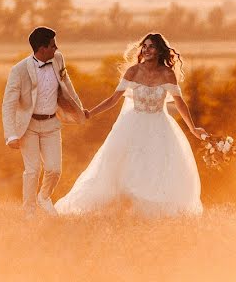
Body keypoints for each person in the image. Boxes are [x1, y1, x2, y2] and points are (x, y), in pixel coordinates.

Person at [55, 33, 207, 217]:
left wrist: (192, 128)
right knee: (125, 165)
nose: (146, 50)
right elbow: (113, 99)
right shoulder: (133, 71)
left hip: (160, 126)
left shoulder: (167, 74)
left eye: (151, 46)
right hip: (133, 125)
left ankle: (150, 210)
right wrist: (90, 113)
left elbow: (179, 102)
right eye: (144, 46)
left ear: (159, 50)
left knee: (156, 166)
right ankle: (124, 206)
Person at [2, 27, 87, 217]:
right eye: (52, 45)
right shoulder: (19, 70)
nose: (56, 48)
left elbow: (68, 88)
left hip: (51, 123)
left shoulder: (58, 59)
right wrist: (11, 135)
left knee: (54, 169)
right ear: (42, 49)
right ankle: (29, 213)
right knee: (32, 171)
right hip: (28, 126)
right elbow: (8, 104)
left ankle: (44, 196)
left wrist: (79, 111)